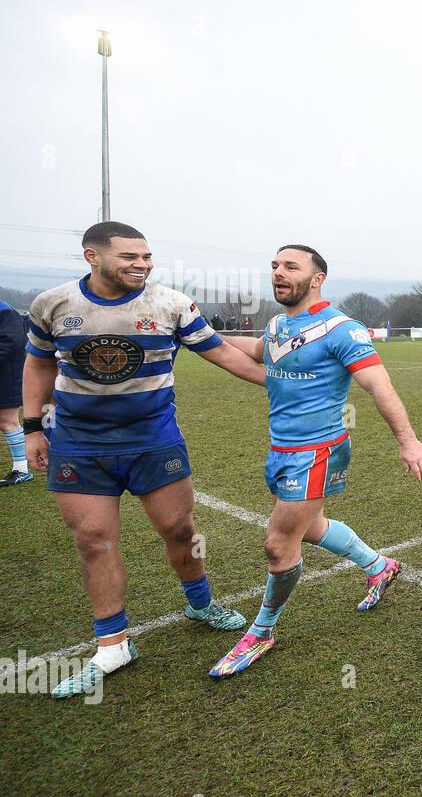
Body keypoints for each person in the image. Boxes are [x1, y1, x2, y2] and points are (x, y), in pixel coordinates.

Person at [23, 221, 265, 698]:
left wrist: (281, 386)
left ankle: (200, 601)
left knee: (179, 530)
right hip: (79, 443)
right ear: (92, 256)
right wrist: (33, 427)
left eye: (146, 257)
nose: (141, 265)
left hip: (154, 440)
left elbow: (219, 352)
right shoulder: (52, 305)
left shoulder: (170, 304)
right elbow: (39, 363)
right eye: (129, 257)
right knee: (94, 541)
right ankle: (113, 645)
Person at [211, 244, 422, 678]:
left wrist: (408, 440)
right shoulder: (277, 325)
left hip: (318, 453)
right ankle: (379, 566)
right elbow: (257, 352)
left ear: (317, 279)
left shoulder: (341, 329)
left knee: (278, 544)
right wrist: (199, 336)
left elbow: (378, 385)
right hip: (281, 450)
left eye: (290, 266)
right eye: (275, 266)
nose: (278, 272)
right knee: (310, 529)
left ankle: (262, 632)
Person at [0, 299, 32, 486]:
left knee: (7, 421)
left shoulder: (4, 311)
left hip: (7, 375)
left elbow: (11, 341)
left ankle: (21, 470)